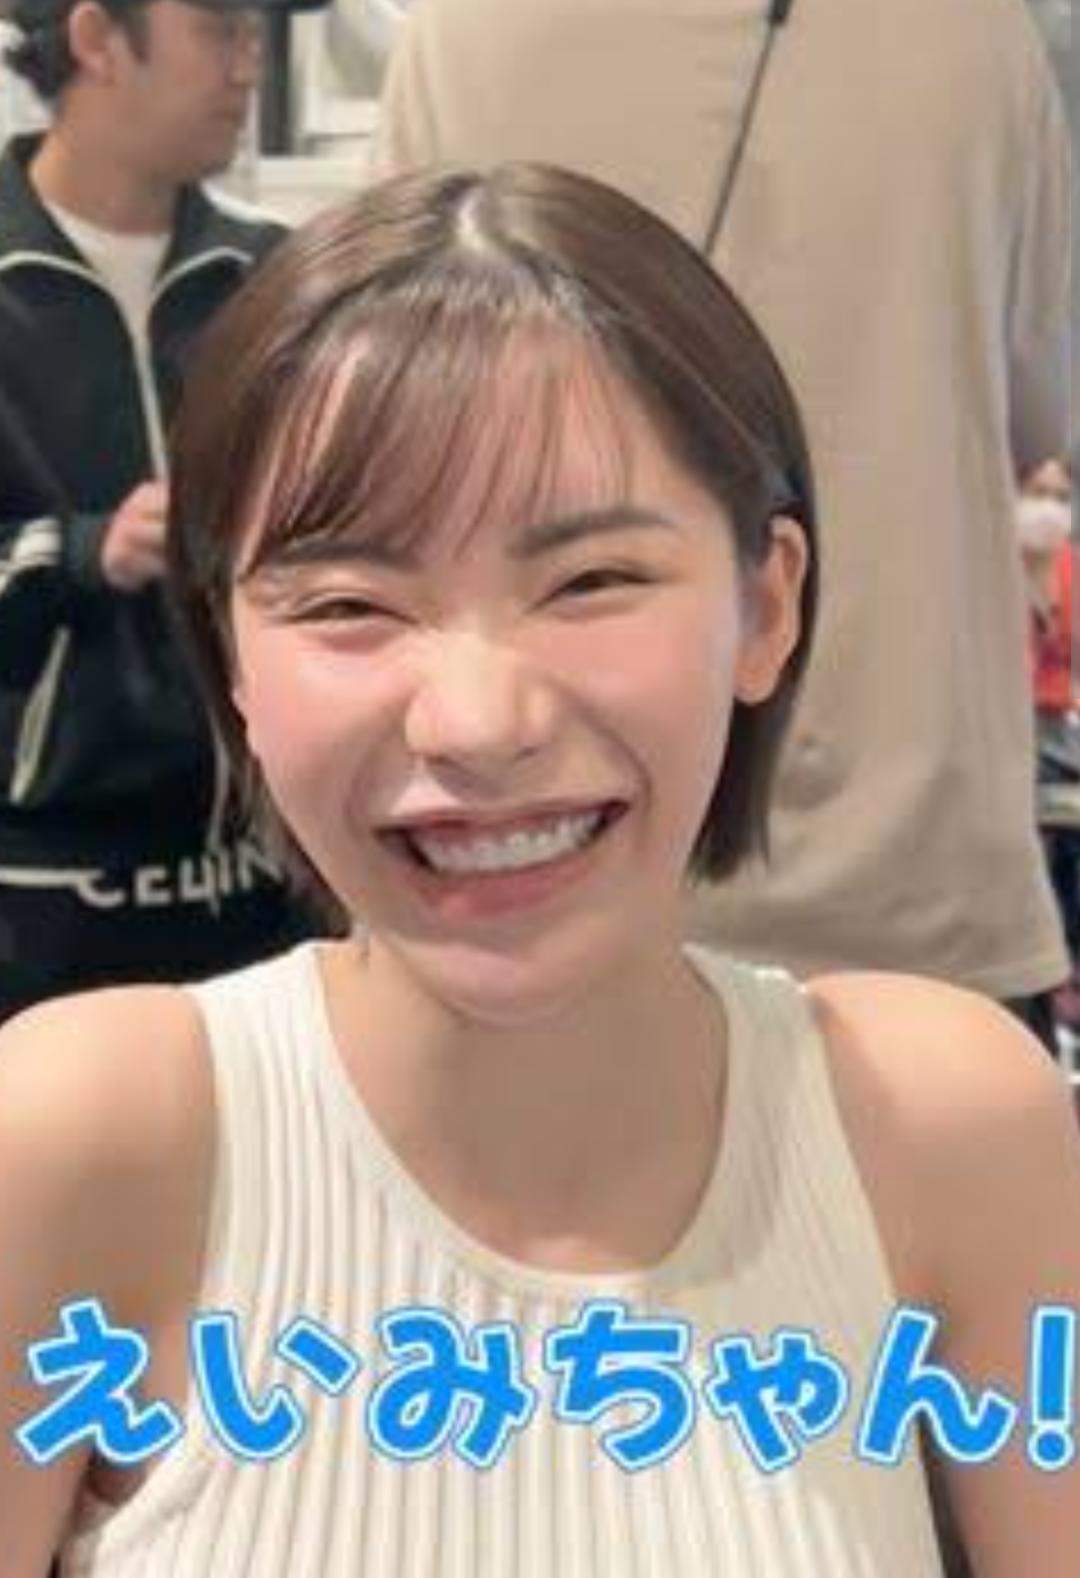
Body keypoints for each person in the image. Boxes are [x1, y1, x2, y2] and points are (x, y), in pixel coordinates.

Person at [1, 164, 1078, 1577]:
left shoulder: (945, 1124)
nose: (477, 720)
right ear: (234, 662)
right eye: (350, 603)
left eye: (590, 583)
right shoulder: (79, 1137)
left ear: (765, 607)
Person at [372, 0, 1074, 1029]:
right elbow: (1039, 411)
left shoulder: (462, 29)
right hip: (920, 874)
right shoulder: (978, 34)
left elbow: (394, 407)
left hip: (543, 854)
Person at [0, 0, 326, 1023]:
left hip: (266, 873)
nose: (248, 66)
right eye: (220, 29)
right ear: (98, 38)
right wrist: (81, 550)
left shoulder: (278, 277)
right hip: (37, 894)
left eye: (256, 35)